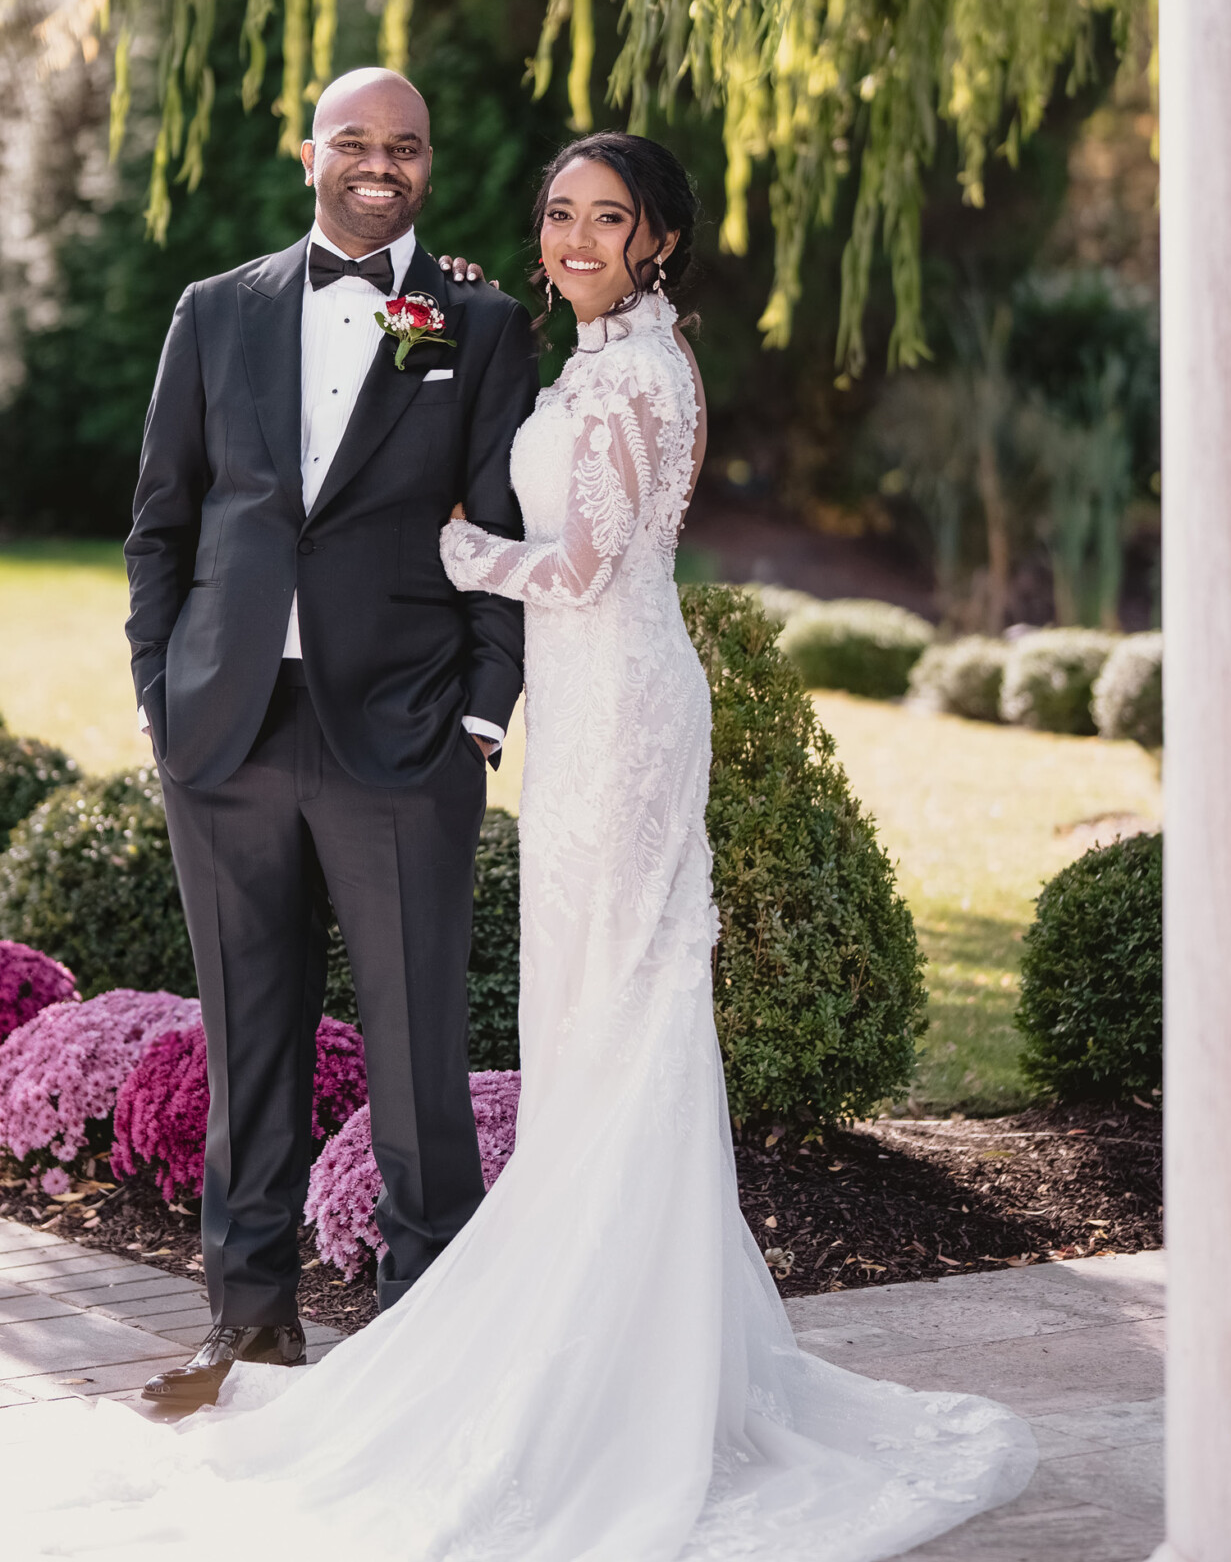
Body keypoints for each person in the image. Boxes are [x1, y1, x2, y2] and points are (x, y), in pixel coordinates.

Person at [4, 129, 1037, 1561]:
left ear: (657, 240)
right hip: (445, 718)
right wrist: (163, 694)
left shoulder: (588, 357)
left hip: (574, 720)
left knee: (588, 1018)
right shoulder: (540, 342)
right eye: (560, 212)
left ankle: (552, 1355)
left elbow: (568, 553)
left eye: (607, 219)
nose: (576, 238)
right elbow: (165, 521)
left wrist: (461, 600)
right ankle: (415, 1330)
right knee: (577, 1025)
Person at [124, 65, 536, 1405]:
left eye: (404, 146)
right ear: (310, 152)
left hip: (403, 736)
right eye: (355, 142)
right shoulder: (216, 311)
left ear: (430, 163)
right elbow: (162, 523)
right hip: (226, 733)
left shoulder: (474, 320)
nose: (379, 164)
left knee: (419, 1047)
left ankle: (429, 1335)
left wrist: (480, 712)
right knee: (252, 1036)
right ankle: (246, 1319)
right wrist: (162, 701)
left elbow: (503, 534)